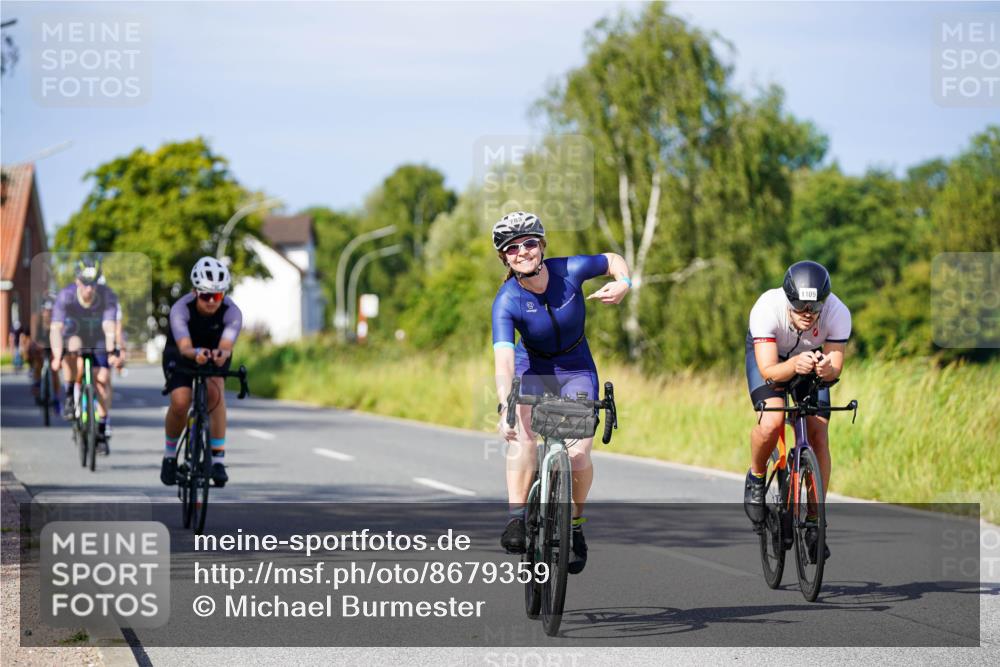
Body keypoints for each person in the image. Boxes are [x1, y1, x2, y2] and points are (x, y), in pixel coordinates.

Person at [491, 211, 631, 574]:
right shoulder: (507, 300)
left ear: (542, 245)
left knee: (579, 455)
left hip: (575, 369)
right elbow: (504, 360)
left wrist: (624, 282)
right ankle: (517, 518)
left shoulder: (569, 270)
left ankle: (575, 525)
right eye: (512, 248)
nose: (522, 252)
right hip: (532, 366)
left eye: (529, 243)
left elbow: (612, 259)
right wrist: (506, 404)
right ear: (505, 258)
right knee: (522, 434)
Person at [742, 260, 851, 561]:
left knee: (818, 432)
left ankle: (816, 520)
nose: (807, 313)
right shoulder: (766, 308)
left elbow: (835, 367)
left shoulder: (838, 312)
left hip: (811, 362)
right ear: (788, 299)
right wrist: (792, 365)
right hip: (771, 359)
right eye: (800, 306)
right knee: (772, 421)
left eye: (814, 307)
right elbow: (768, 370)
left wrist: (827, 369)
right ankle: (756, 476)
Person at [160, 257, 243, 488]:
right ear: (195, 292)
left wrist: (221, 354)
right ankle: (169, 456)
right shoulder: (180, 309)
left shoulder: (232, 312)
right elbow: (185, 347)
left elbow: (226, 346)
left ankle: (218, 460)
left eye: (217, 296)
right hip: (181, 351)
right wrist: (195, 353)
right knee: (180, 401)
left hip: (214, 352)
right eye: (206, 296)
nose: (212, 302)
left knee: (215, 394)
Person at [50, 257, 123, 452]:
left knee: (103, 378)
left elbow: (109, 326)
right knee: (71, 348)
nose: (89, 289)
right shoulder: (66, 296)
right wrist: (56, 355)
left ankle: (102, 425)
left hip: (98, 335)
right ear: (77, 281)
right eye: (85, 284)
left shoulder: (107, 295)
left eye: (93, 284)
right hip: (75, 333)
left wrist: (112, 351)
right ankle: (69, 393)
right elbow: (56, 328)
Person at [27, 294, 61, 411]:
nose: (48, 313)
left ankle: (56, 397)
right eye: (46, 310)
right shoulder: (36, 319)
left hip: (52, 347)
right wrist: (37, 345)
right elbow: (34, 337)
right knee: (38, 362)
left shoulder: (56, 321)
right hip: (40, 346)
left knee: (54, 372)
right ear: (42, 310)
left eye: (51, 311)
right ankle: (37, 380)